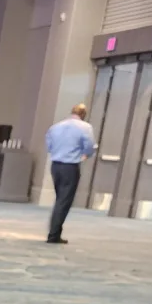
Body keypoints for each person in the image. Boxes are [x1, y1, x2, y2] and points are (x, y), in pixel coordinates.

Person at [44, 102, 96, 244]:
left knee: (60, 198)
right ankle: (53, 234)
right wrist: (84, 155)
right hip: (70, 166)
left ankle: (55, 231)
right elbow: (90, 147)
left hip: (55, 165)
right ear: (83, 115)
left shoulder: (55, 127)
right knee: (63, 201)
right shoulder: (85, 127)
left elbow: (49, 146)